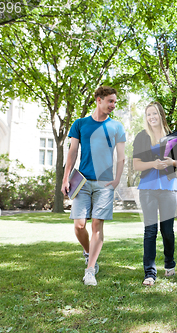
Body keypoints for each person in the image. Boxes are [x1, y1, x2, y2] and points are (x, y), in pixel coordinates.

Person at [61, 86, 126, 286]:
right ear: (98, 100)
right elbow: (72, 152)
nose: (113, 105)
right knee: (79, 225)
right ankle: (89, 251)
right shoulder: (80, 124)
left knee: (97, 225)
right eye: (110, 101)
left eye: (115, 102)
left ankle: (90, 269)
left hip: (105, 184)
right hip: (82, 181)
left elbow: (122, 157)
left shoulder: (116, 127)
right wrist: (65, 179)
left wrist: (116, 180)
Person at [133, 102, 177, 286]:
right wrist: (153, 165)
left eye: (154, 113)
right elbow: (136, 165)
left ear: (161, 115)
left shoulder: (174, 137)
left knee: (167, 231)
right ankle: (149, 273)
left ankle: (169, 263)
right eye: (148, 114)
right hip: (147, 188)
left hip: (168, 188)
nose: (151, 117)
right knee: (150, 231)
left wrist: (172, 161)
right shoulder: (142, 137)